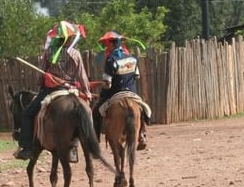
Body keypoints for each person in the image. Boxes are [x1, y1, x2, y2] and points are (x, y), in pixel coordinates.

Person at [13, 21, 91, 160]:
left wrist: (40, 84)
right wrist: (87, 92)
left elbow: (42, 74)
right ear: (70, 38)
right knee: (86, 113)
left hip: (51, 90)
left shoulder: (49, 52)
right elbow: (82, 75)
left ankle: (27, 147)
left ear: (57, 37)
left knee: (27, 114)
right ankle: (76, 146)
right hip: (71, 90)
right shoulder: (76, 53)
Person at [91, 31, 148, 150]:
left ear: (112, 45)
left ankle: (95, 141)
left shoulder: (111, 59)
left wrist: (102, 90)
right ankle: (142, 134)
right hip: (131, 92)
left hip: (115, 93)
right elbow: (137, 76)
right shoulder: (132, 59)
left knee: (95, 112)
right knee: (143, 110)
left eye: (107, 44)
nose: (106, 46)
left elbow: (108, 83)